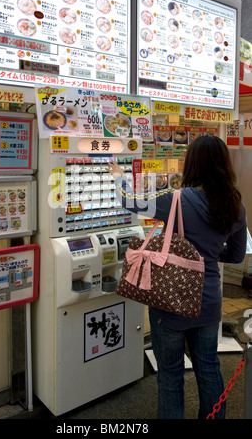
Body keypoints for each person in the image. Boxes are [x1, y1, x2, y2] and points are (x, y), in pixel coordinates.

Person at [108, 134, 247, 419]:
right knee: (208, 367)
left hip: (172, 304)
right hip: (209, 303)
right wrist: (207, 256)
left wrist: (119, 176)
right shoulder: (236, 206)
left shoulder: (177, 200)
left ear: (192, 164)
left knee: (170, 375)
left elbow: (129, 201)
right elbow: (235, 256)